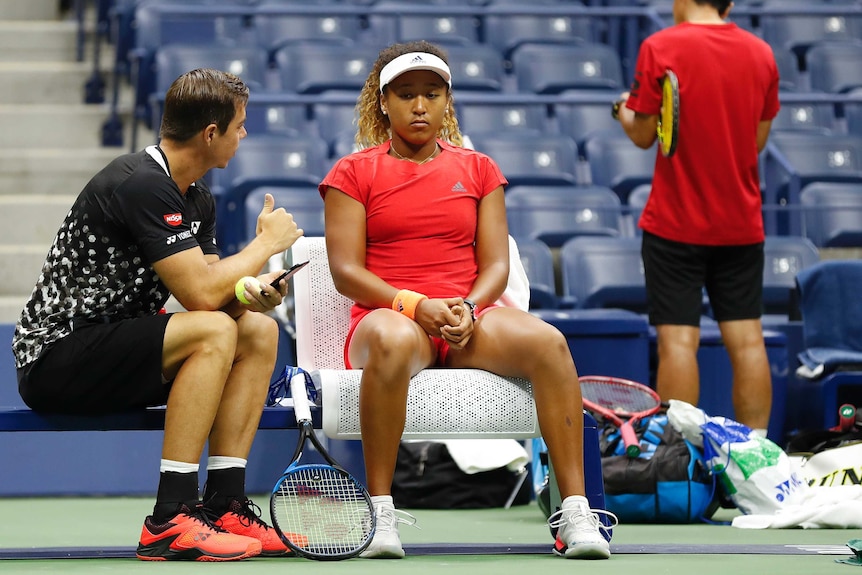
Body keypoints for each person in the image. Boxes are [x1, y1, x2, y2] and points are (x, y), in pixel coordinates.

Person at [318, 40, 614, 560]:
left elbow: (497, 266)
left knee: (550, 343)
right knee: (389, 339)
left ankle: (575, 510)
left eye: (431, 94)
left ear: (447, 101)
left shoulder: (479, 169)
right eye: (405, 94)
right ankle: (380, 513)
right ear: (382, 101)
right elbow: (345, 272)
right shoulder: (353, 172)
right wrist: (413, 306)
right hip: (390, 318)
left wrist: (470, 308)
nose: (419, 106)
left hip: (465, 317)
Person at [12, 69, 304, 562]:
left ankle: (224, 502)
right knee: (213, 333)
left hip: (118, 348)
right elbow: (200, 293)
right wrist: (264, 245)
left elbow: (212, 299)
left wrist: (252, 295)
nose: (244, 134)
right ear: (211, 134)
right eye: (239, 125)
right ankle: (171, 516)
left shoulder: (197, 197)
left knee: (257, 331)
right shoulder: (141, 183)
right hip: (56, 355)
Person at [614, 0, 779, 435]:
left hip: (675, 224)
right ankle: (756, 452)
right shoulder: (761, 52)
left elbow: (645, 134)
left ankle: (679, 452)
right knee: (747, 341)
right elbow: (758, 140)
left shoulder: (660, 46)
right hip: (741, 224)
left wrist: (622, 111)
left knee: (678, 343)